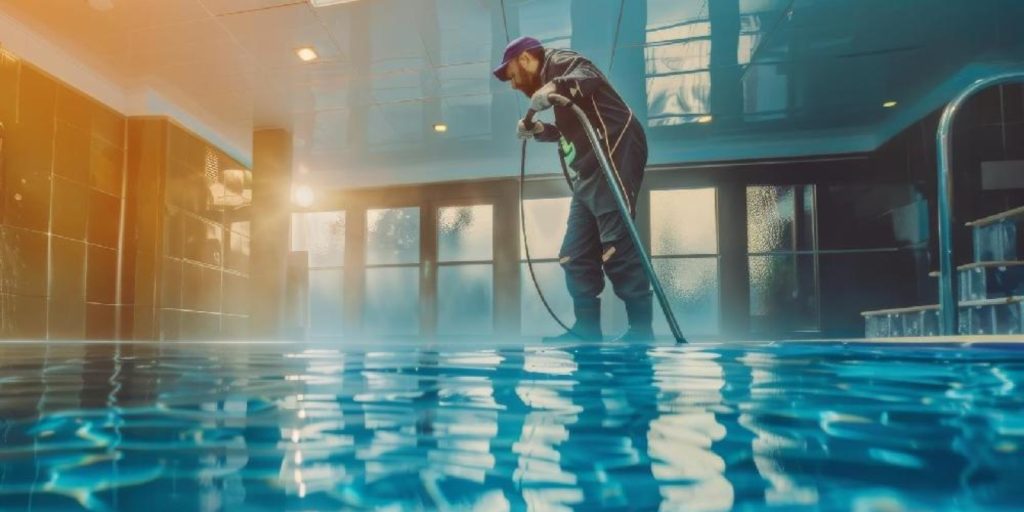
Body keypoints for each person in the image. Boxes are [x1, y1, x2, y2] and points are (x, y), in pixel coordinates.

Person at [494, 36, 653, 342]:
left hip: (615, 150)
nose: (513, 84)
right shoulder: (551, 77)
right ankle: (588, 329)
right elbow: (574, 130)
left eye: (512, 75)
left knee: (616, 245)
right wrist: (542, 131)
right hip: (589, 169)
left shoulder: (559, 61)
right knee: (575, 255)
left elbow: (589, 76)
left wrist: (554, 87)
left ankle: (642, 330)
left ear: (526, 59)